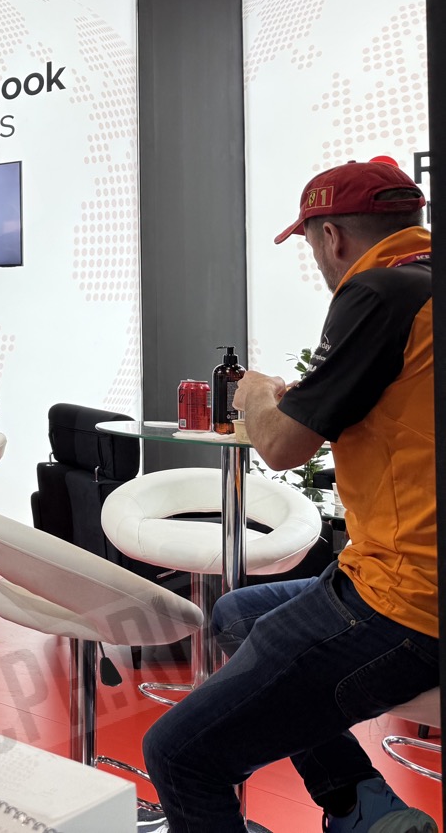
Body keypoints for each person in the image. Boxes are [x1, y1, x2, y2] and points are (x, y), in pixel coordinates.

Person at [144, 160, 437, 833]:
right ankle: (357, 801)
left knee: (180, 754)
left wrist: (254, 393)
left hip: (406, 602)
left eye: (310, 245)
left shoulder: (380, 292)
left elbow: (280, 446)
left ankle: (353, 803)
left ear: (331, 235)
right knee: (238, 611)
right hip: (403, 575)